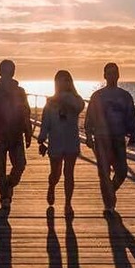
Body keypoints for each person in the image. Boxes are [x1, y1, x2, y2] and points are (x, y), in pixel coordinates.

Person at [84, 62, 135, 212]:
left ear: (118, 75)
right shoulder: (97, 96)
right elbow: (89, 117)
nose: (112, 76)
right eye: (109, 73)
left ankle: (111, 191)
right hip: (101, 138)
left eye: (114, 73)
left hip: (118, 138)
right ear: (104, 76)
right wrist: (88, 135)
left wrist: (134, 134)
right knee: (104, 172)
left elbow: (131, 116)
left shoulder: (125, 96)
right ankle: (109, 205)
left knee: (122, 171)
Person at [0, 59, 32, 209]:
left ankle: (9, 184)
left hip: (16, 135)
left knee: (20, 165)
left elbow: (26, 113)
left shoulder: (20, 92)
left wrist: (28, 133)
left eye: (10, 71)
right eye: (5, 71)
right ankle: (5, 197)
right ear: (0, 73)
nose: (8, 74)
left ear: (14, 72)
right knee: (0, 168)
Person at [37, 70, 84, 212]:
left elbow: (79, 107)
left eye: (66, 80)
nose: (63, 83)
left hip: (71, 141)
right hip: (55, 141)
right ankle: (51, 186)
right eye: (60, 81)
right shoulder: (50, 102)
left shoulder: (76, 99)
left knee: (69, 173)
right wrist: (42, 138)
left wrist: (65, 99)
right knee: (55, 173)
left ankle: (68, 203)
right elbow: (45, 122)